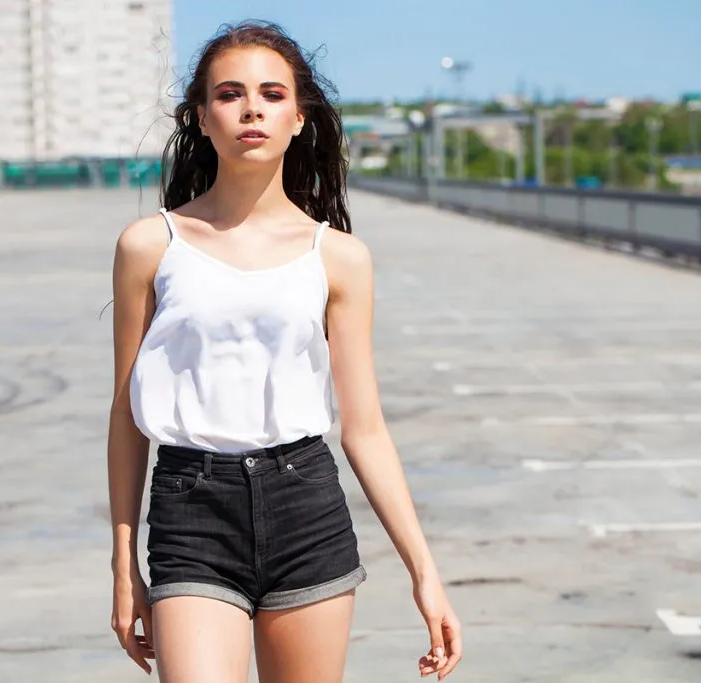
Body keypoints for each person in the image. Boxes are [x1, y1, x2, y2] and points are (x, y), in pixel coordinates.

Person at [107, 20, 462, 683]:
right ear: (199, 117)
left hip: (306, 511)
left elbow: (365, 428)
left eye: (272, 94)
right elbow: (127, 417)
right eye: (230, 94)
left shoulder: (340, 258)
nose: (251, 109)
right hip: (190, 510)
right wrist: (124, 562)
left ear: (299, 118)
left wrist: (425, 571)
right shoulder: (149, 247)